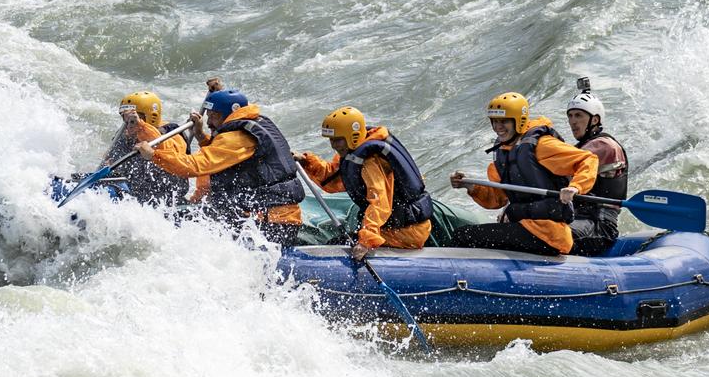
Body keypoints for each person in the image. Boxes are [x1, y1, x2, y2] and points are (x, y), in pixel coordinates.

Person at [137, 89, 304, 246]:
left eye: (214, 116)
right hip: (271, 218)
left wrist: (153, 155)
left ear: (228, 114)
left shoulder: (238, 137)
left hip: (271, 224)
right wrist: (200, 135)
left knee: (181, 225)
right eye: (208, 116)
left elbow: (193, 167)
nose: (209, 122)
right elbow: (224, 155)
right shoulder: (254, 123)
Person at [448, 91, 598, 255]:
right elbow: (497, 199)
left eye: (504, 121)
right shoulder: (504, 152)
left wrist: (576, 187)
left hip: (548, 234)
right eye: (495, 121)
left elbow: (588, 159)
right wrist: (471, 187)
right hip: (525, 227)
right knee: (466, 234)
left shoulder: (542, 145)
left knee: (463, 236)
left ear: (518, 121)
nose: (498, 127)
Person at [295, 106, 432, 260]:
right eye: (331, 140)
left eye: (338, 140)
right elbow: (332, 180)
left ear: (352, 136)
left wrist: (366, 241)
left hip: (406, 232)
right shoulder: (354, 153)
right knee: (339, 241)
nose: (334, 145)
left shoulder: (370, 162)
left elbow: (380, 203)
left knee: (339, 244)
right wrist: (307, 161)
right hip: (395, 228)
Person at [565, 78, 629, 256]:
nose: (572, 121)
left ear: (594, 120)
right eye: (570, 116)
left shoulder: (604, 146)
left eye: (579, 115)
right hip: (580, 219)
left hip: (599, 225)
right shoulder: (581, 147)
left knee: (549, 234)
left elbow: (563, 167)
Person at [105, 91, 194, 206]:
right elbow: (109, 162)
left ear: (151, 117)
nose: (128, 124)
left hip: (168, 200)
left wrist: (141, 127)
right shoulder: (126, 134)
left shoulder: (172, 133)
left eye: (135, 118)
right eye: (125, 118)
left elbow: (171, 152)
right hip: (136, 196)